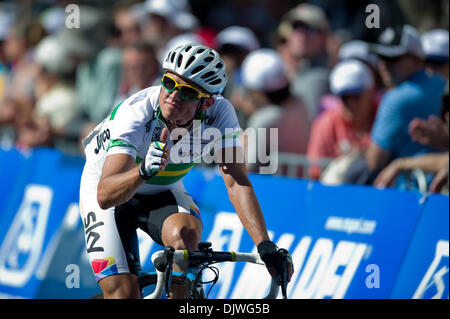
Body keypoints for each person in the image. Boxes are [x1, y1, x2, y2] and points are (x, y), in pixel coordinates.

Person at [79, 43, 294, 299]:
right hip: (108, 192)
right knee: (124, 294)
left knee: (186, 237)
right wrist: (142, 172)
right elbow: (105, 195)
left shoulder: (221, 114)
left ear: (207, 102)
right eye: (169, 83)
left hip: (163, 189)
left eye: (188, 92)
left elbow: (236, 182)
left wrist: (265, 244)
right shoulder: (135, 114)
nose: (173, 95)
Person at [359, 25, 446, 183]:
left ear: (415, 61)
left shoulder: (395, 99)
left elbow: (374, 161)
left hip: (409, 196)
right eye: (381, 57)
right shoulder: (442, 84)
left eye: (393, 58)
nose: (384, 65)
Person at [238, 48, 310, 175]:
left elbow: (248, 168)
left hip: (272, 190)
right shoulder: (301, 104)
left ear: (258, 93)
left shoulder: (263, 120)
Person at [307, 59, 376, 180]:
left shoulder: (383, 116)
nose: (350, 103)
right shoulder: (326, 124)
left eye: (355, 96)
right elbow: (315, 171)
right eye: (344, 97)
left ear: (370, 92)